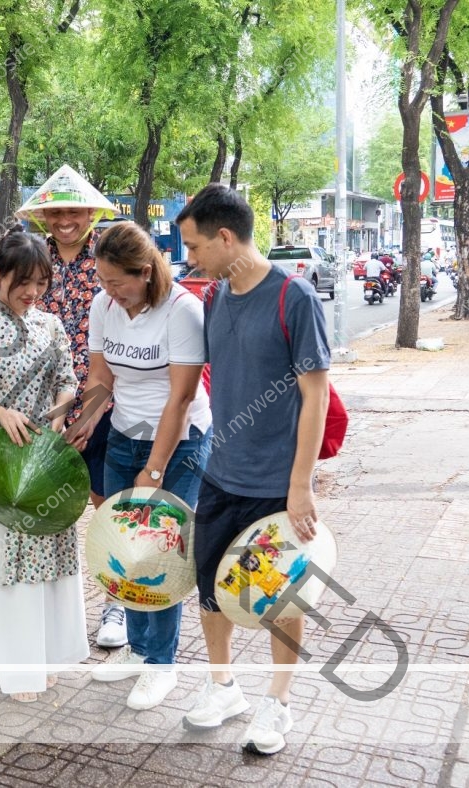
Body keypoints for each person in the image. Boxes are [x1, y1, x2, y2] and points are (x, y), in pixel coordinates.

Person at [175, 184, 331, 756]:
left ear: (224, 237)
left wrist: (300, 486)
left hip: (275, 484)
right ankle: (224, 687)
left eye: (194, 245)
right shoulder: (216, 297)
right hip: (221, 473)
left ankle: (279, 702)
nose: (189, 257)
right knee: (212, 588)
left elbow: (316, 396)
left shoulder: (294, 299)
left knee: (279, 598)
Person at [69, 223, 212, 711]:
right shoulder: (103, 305)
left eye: (117, 282)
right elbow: (101, 377)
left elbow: (182, 396)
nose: (109, 291)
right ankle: (138, 645)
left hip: (180, 441)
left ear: (145, 272)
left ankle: (161, 664)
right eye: (103, 281)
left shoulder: (182, 310)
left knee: (159, 551)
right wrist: (85, 424)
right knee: (125, 548)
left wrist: (154, 471)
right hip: (124, 434)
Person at [0, 228, 86, 704]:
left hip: (47, 458)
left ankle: (47, 657)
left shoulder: (51, 325)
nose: (32, 292)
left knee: (50, 558)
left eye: (41, 282)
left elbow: (69, 382)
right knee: (8, 565)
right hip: (2, 463)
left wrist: (58, 409)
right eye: (22, 282)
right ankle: (15, 669)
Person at [16, 165, 129, 649]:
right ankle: (50, 614)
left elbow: (132, 335)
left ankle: (117, 606)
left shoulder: (112, 255)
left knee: (108, 510)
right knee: (48, 514)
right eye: (56, 211)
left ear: (90, 212)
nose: (65, 219)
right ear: (43, 216)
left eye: (74, 210)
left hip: (105, 406)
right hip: (43, 411)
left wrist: (93, 410)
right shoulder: (30, 258)